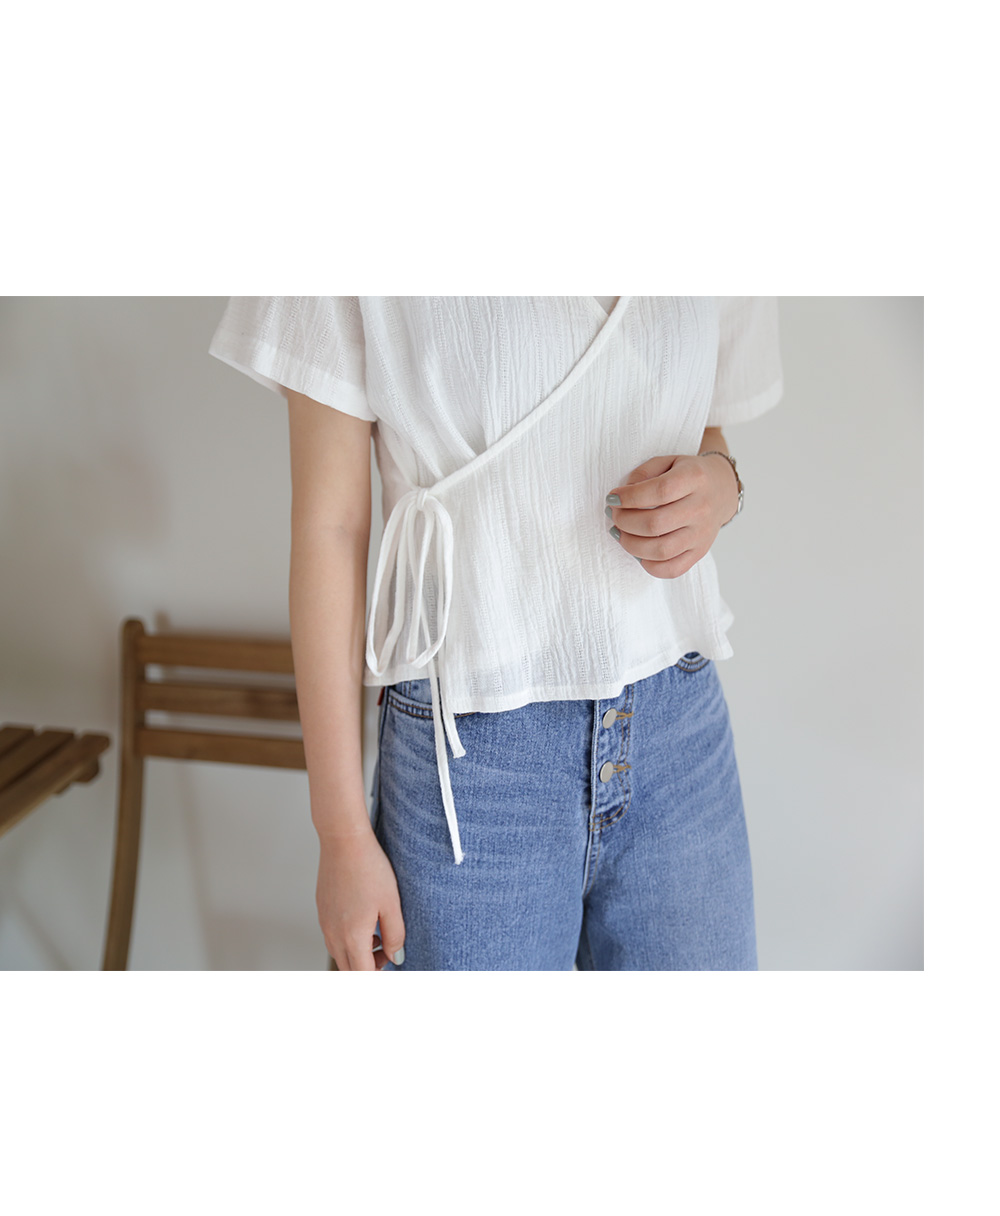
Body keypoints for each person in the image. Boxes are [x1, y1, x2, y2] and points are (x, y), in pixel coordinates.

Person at [209, 296, 783, 971]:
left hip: (678, 728)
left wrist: (720, 484)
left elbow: (701, 422)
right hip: (472, 753)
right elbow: (330, 528)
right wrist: (340, 834)